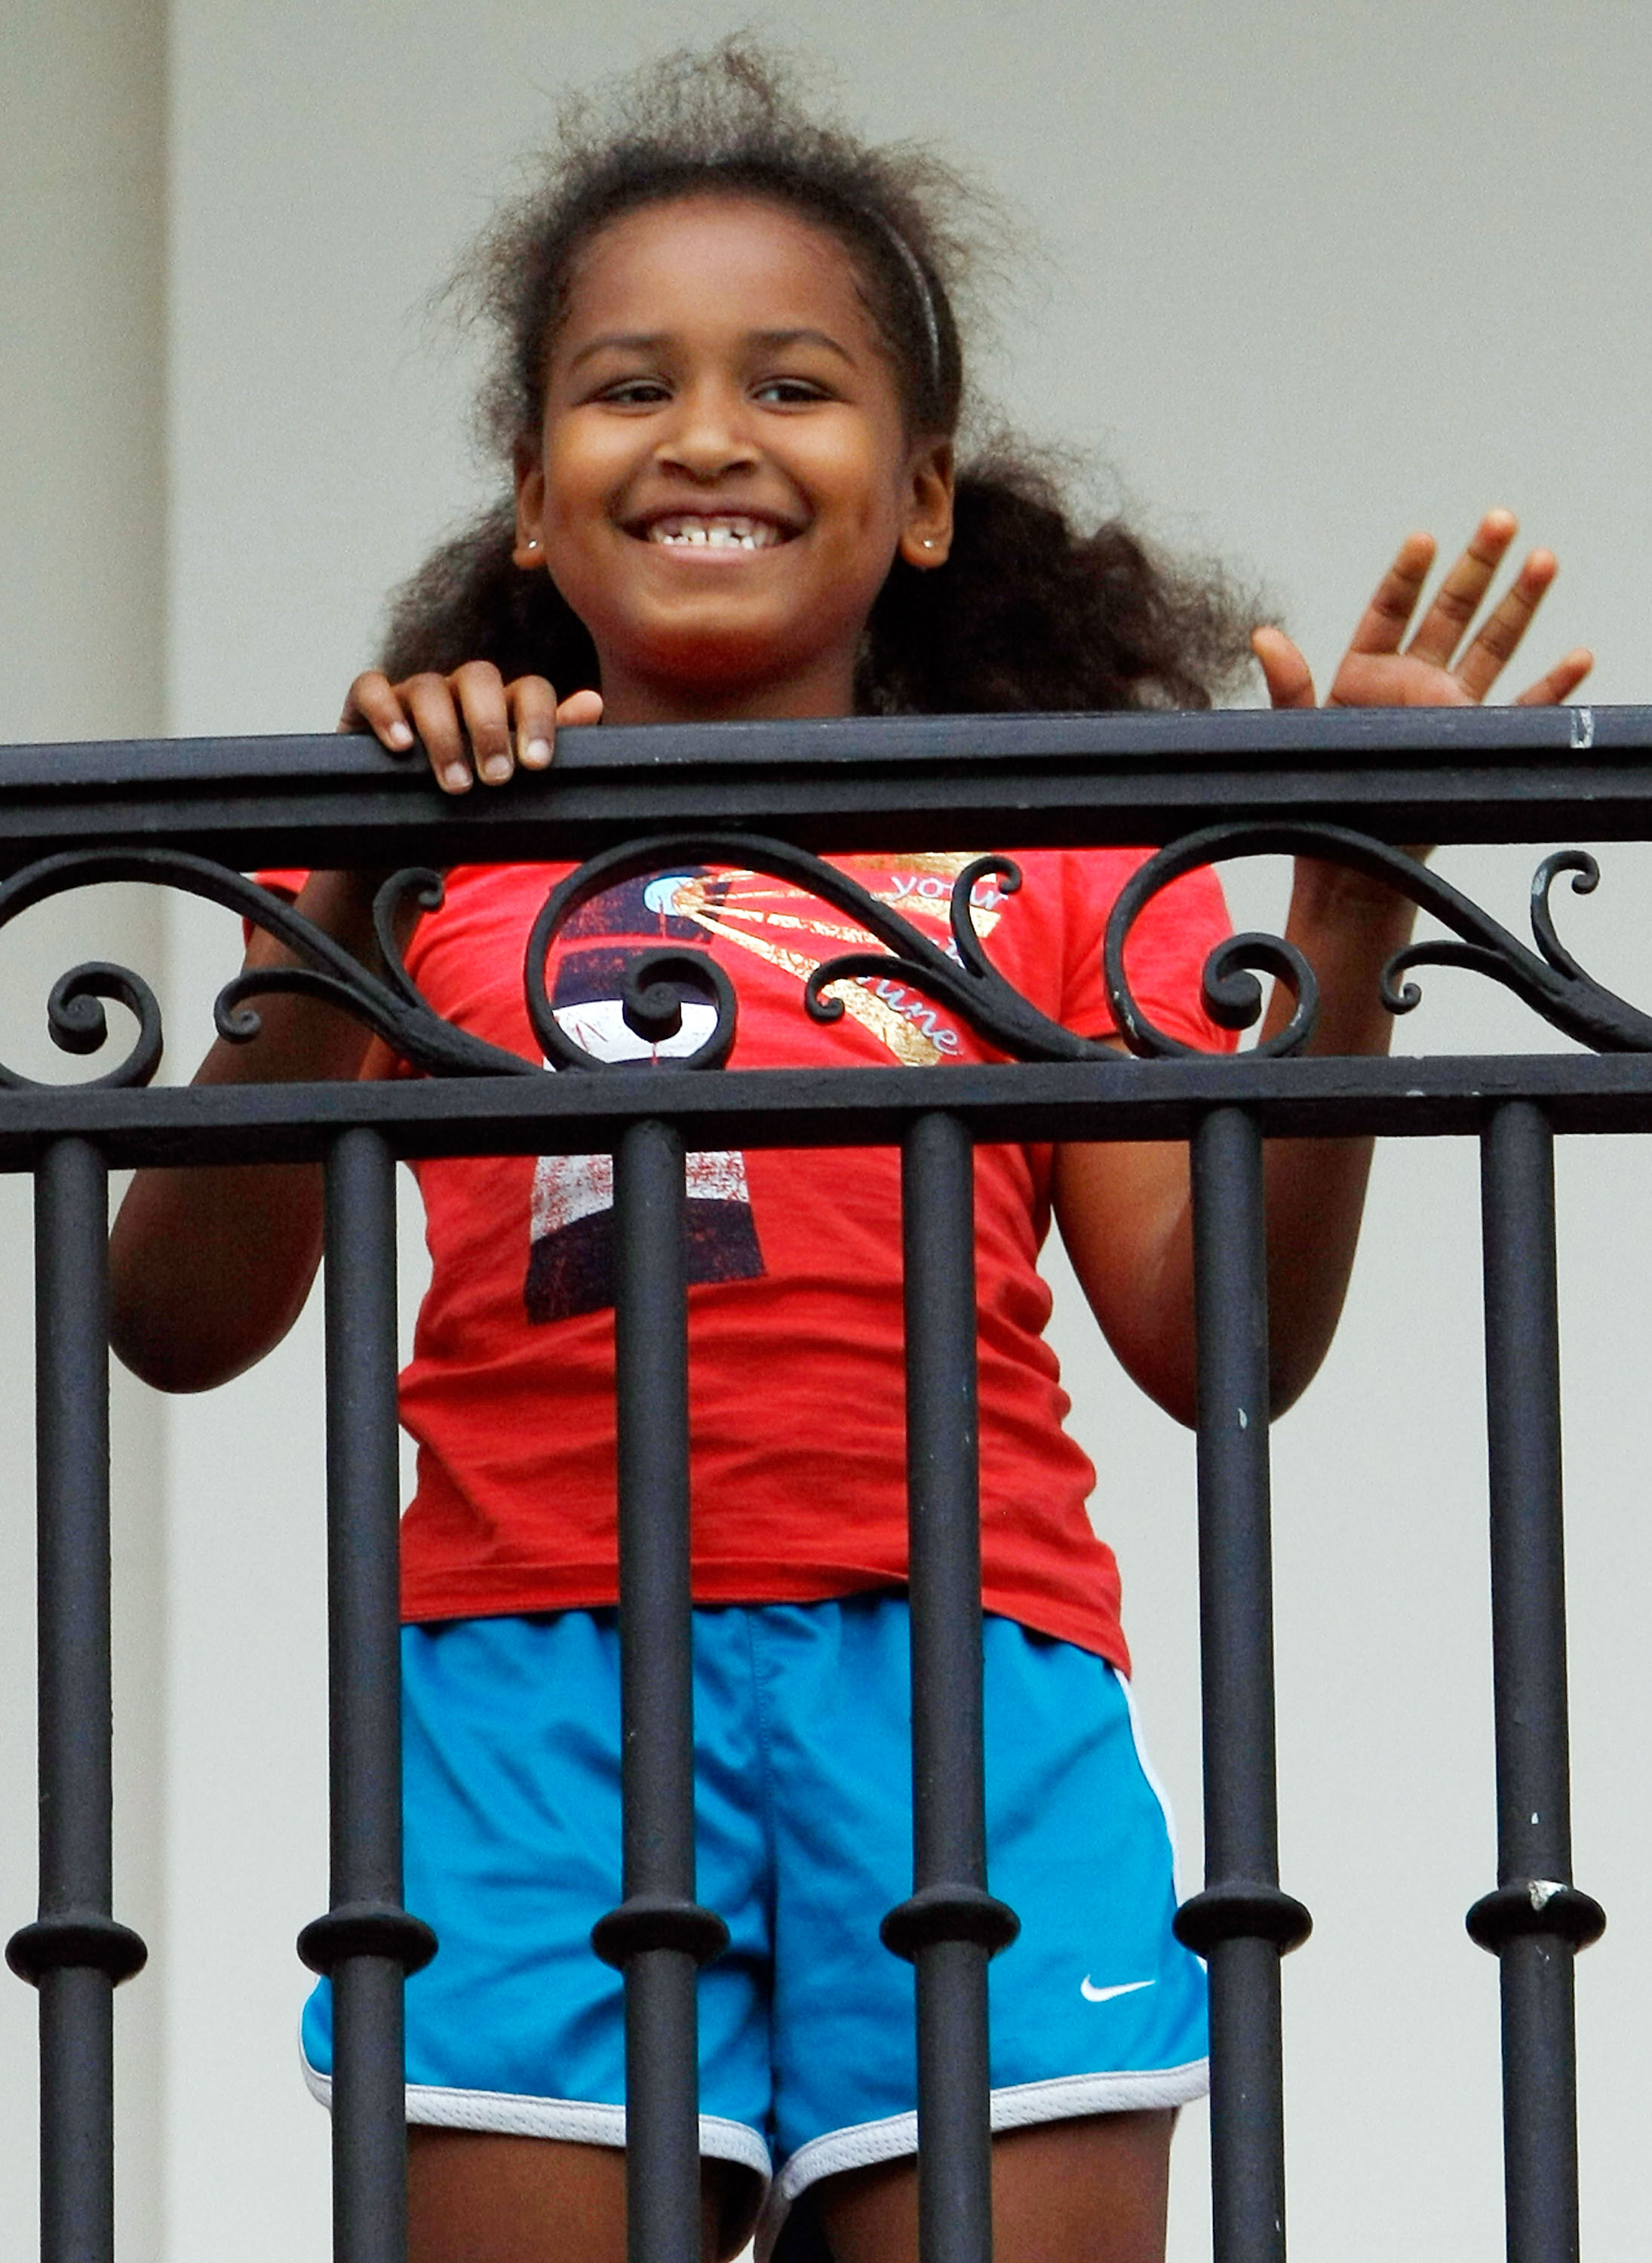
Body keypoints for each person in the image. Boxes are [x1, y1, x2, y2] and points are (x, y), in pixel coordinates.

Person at [107, 41, 1591, 2263]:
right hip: (527, 1690)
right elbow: (171, 1312)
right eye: (630, 389)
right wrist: (334, 889)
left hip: (966, 1684)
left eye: (791, 385)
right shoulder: (426, 873)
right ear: (531, 496)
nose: (707, 435)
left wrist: (1351, 903)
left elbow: (1224, 1339)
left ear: (916, 495)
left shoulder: (1071, 850)